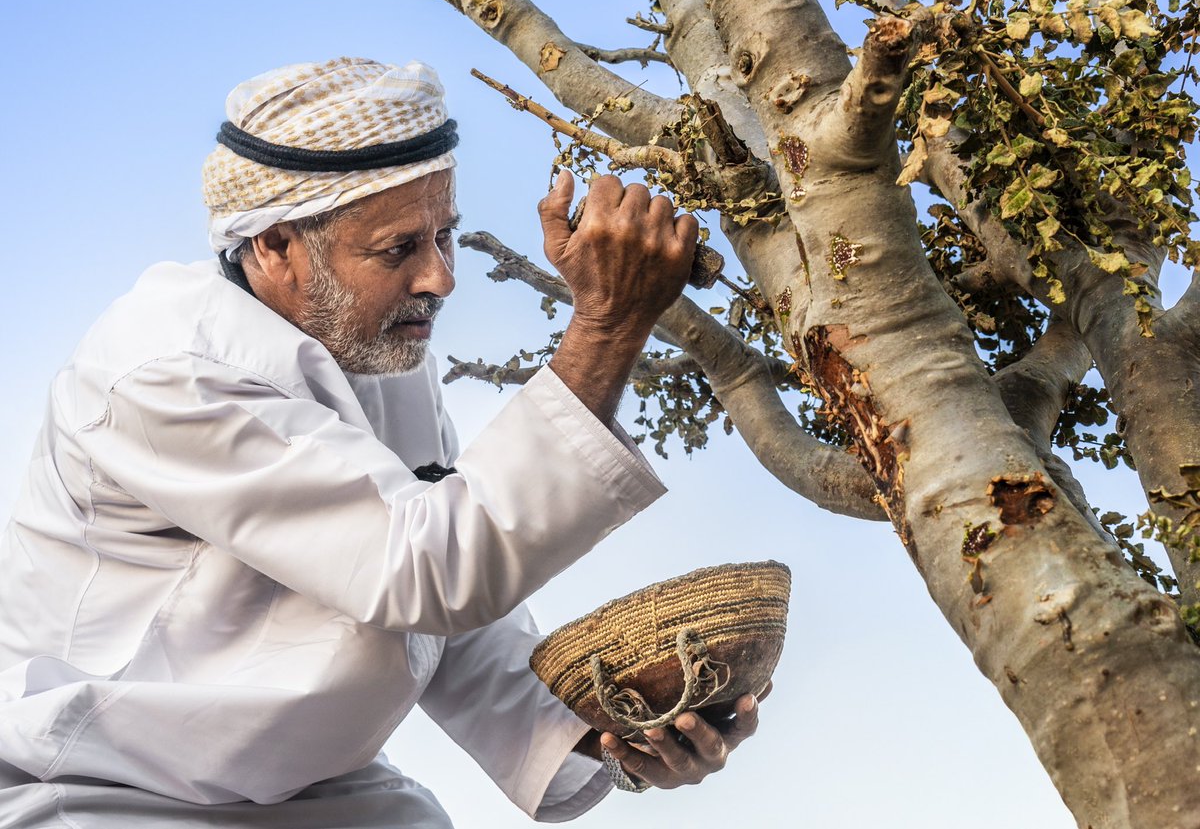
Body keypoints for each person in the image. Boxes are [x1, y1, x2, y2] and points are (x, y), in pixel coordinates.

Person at [0, 57, 762, 828]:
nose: (440, 277)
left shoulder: (374, 345)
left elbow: (441, 616)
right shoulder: (167, 372)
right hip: (104, 787)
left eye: (445, 236)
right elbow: (424, 568)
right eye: (399, 249)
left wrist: (605, 735)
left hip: (317, 791)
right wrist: (604, 327)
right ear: (275, 244)